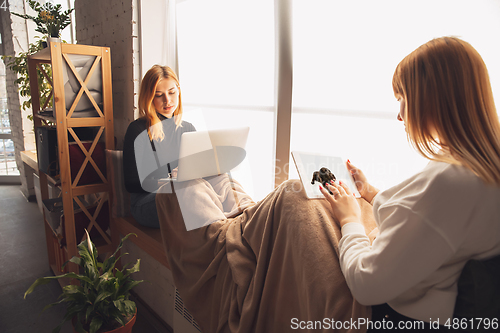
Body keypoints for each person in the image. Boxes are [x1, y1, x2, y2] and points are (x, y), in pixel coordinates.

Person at [320, 36, 500, 330]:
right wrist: (370, 193)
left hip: (395, 316)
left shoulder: (452, 182)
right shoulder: (482, 166)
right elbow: (433, 224)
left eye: (403, 98)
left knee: (292, 201)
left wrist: (350, 220)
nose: (400, 114)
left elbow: (366, 284)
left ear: (434, 98)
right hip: (423, 296)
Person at [123, 65, 196, 228]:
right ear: (149, 98)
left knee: (225, 182)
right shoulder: (137, 130)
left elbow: (198, 169)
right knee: (185, 192)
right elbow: (131, 183)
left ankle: (246, 220)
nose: (167, 100)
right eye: (159, 95)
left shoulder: (188, 128)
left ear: (178, 90)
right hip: (146, 202)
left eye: (171, 92)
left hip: (183, 193)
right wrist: (171, 181)